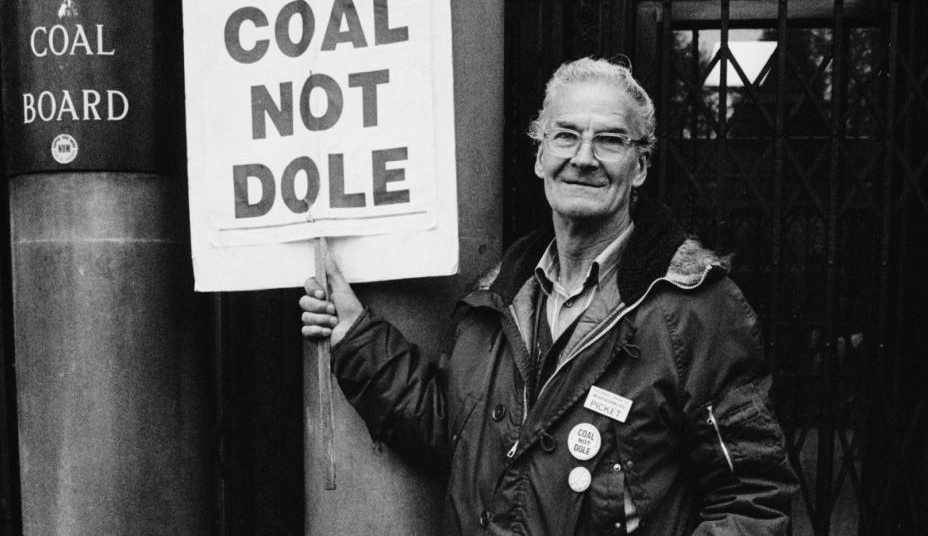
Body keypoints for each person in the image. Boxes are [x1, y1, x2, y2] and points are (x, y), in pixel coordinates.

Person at [300, 57, 798, 534]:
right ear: (540, 156)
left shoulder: (693, 311)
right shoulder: (496, 300)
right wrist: (354, 335)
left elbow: (753, 498)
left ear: (640, 165)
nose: (583, 158)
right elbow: (451, 431)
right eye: (565, 136)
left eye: (609, 140)